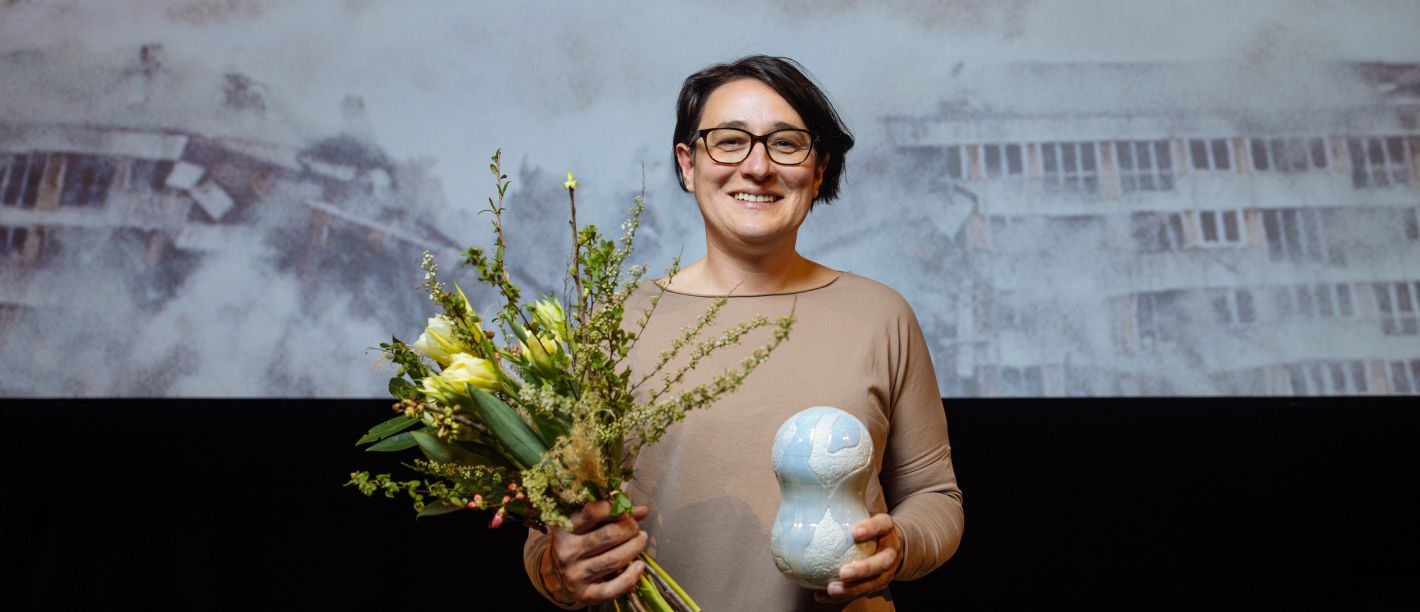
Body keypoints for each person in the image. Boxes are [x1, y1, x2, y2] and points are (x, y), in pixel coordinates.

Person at [524, 55, 963, 610]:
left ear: (819, 169)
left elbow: (934, 496)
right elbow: (547, 530)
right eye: (730, 141)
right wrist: (560, 569)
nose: (758, 167)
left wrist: (899, 546)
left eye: (786, 144)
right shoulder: (612, 326)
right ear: (688, 164)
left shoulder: (881, 316)